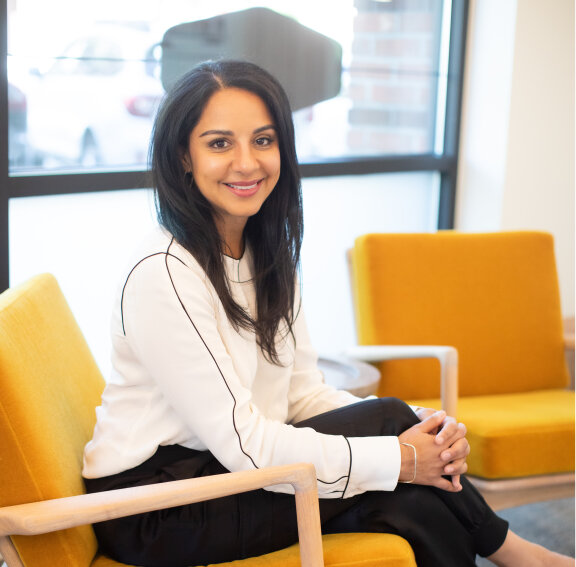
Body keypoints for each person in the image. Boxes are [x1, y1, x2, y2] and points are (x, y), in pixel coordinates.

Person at [82, 60, 574, 567]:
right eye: (220, 143)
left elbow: (301, 394)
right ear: (183, 156)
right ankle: (520, 555)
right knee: (392, 441)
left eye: (264, 140)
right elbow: (247, 445)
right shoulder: (165, 272)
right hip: (155, 507)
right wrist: (400, 456)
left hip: (222, 475)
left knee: (411, 497)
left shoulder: (265, 252)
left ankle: (519, 556)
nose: (247, 162)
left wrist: (413, 430)